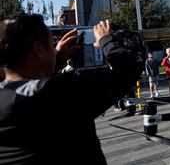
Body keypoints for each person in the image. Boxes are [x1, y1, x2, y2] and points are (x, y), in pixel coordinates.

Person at [0, 14, 142, 164]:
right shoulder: (61, 92)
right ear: (39, 50)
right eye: (51, 44)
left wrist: (55, 59)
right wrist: (106, 41)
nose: (54, 48)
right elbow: (128, 71)